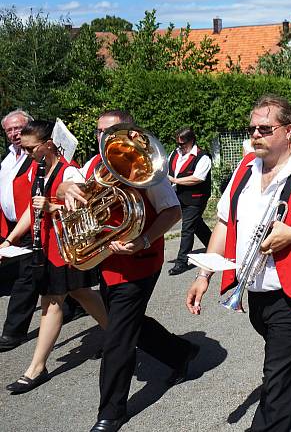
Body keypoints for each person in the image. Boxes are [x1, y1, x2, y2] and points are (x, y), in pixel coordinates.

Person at [185, 94, 291, 432]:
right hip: (257, 293)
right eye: (252, 129)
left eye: (265, 128)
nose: (256, 135)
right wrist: (204, 274)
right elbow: (223, 222)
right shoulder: (245, 168)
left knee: (276, 380)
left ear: (289, 130)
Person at [58, 110, 198, 432]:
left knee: (118, 337)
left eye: (111, 131)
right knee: (128, 323)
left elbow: (173, 210)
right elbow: (69, 184)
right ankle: (181, 352)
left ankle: (111, 412)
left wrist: (145, 238)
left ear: (129, 133)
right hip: (107, 262)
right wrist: (66, 189)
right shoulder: (93, 165)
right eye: (98, 131)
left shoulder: (145, 167)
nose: (102, 137)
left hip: (139, 262)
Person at [1, 121, 108, 394]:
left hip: (65, 247)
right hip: (47, 246)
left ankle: (37, 367)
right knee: (82, 293)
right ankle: (119, 335)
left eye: (30, 148)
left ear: (48, 144)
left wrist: (52, 206)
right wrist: (10, 239)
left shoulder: (69, 171)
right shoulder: (38, 171)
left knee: (51, 302)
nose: (26, 154)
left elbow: (83, 207)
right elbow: (31, 210)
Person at [0, 110, 39, 352]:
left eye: (18, 128)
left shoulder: (36, 156)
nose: (14, 133)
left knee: (26, 277)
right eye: (9, 130)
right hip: (12, 224)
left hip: (32, 223)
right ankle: (74, 305)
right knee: (52, 276)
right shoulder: (7, 159)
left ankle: (13, 332)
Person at [167, 127, 212, 276]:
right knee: (195, 224)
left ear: (191, 140)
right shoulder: (174, 153)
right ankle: (214, 246)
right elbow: (167, 170)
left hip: (196, 198)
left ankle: (181, 262)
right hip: (178, 196)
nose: (180, 147)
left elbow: (198, 178)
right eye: (178, 143)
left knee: (187, 228)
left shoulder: (203, 157)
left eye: (183, 144)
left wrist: (175, 180)